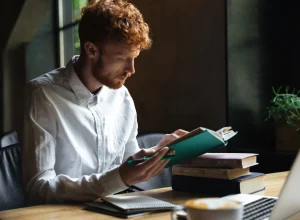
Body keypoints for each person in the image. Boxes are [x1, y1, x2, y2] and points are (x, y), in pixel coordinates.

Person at [22, 0, 188, 205]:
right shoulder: (43, 94)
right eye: (122, 59)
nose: (131, 69)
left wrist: (159, 153)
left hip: (116, 212)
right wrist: (119, 178)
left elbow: (129, 166)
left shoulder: (122, 96)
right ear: (91, 50)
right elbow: (38, 187)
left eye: (134, 58)